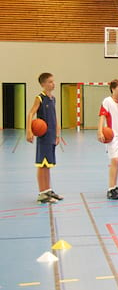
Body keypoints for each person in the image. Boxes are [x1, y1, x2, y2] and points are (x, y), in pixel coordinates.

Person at [26, 72, 63, 204]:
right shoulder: (39, 98)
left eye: (53, 81)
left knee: (48, 165)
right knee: (42, 165)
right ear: (43, 84)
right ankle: (42, 193)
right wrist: (29, 130)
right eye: (50, 82)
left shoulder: (53, 98)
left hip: (52, 136)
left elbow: (55, 117)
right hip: (44, 136)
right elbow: (30, 113)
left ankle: (48, 190)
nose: (53, 84)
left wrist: (58, 134)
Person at [98, 80, 118, 200]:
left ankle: (115, 186)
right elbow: (102, 116)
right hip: (112, 135)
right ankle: (110, 189)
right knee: (114, 160)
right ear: (113, 89)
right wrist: (100, 131)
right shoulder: (107, 101)